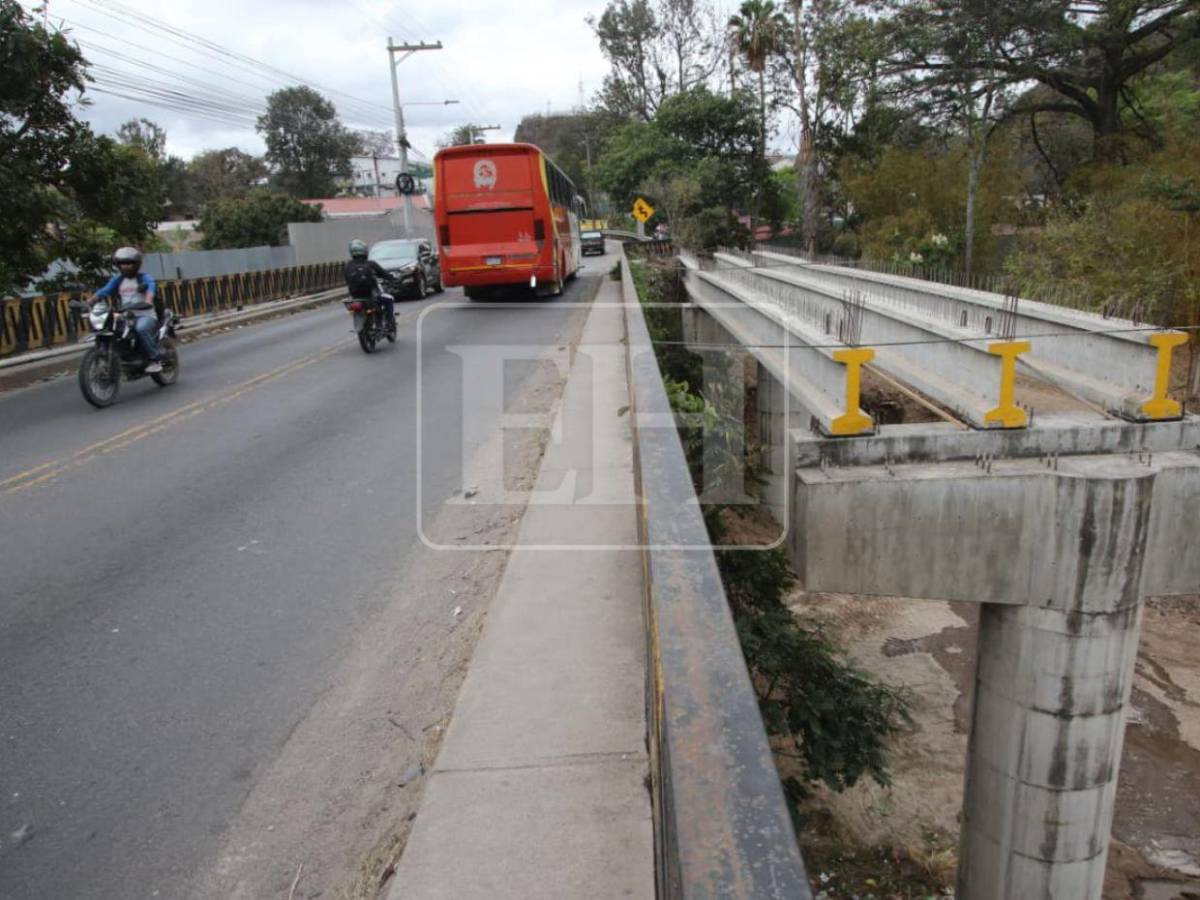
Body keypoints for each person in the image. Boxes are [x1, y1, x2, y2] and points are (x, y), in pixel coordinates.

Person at [94, 247, 163, 373]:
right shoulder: (118, 279)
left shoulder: (144, 278)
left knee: (140, 329)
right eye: (122, 264)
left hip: (145, 314)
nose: (125, 266)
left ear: (136, 264)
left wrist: (147, 301)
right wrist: (89, 301)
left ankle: (155, 359)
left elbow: (151, 290)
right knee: (110, 331)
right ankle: (124, 357)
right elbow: (104, 291)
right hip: (125, 315)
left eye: (129, 263)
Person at [344, 239, 395, 334]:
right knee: (389, 300)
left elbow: (347, 280)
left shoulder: (348, 266)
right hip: (371, 295)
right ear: (365, 251)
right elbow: (384, 274)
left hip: (355, 297)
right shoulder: (371, 264)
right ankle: (389, 324)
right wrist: (392, 279)